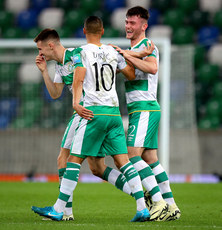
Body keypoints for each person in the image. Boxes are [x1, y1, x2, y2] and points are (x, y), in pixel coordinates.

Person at [31, 16, 150, 222]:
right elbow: (130, 74)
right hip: (113, 112)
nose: (39, 54)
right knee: (108, 164)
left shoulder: (79, 53)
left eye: (41, 49)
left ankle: (61, 209)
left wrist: (76, 103)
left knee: (72, 159)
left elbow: (79, 75)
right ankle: (143, 204)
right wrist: (44, 72)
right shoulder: (111, 51)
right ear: (102, 31)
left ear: (84, 31)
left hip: (89, 112)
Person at [113, 6, 181, 221]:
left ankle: (158, 202)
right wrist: (125, 56)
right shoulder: (133, 49)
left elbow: (152, 69)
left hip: (145, 107)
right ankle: (171, 206)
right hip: (140, 109)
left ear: (144, 26)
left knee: (132, 155)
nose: (128, 26)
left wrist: (126, 55)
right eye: (126, 22)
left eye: (132, 23)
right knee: (150, 159)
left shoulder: (147, 45)